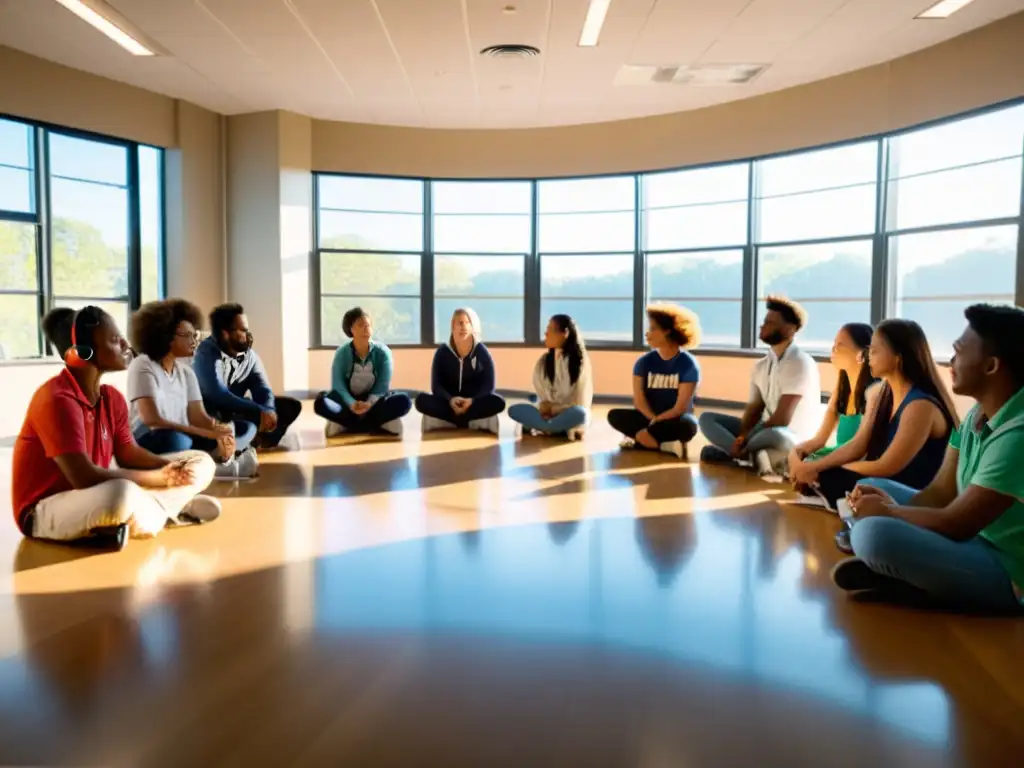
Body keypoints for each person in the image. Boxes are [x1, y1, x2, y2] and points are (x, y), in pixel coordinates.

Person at [833, 305, 1024, 614]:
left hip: (1008, 571)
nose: (951, 361)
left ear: (991, 366)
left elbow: (958, 522)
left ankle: (911, 576)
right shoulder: (977, 414)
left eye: (959, 352)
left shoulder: (1019, 434)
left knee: (873, 534)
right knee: (869, 486)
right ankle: (910, 573)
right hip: (972, 538)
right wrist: (888, 505)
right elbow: (941, 494)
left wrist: (890, 514)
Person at [11, 306, 219, 547]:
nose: (124, 343)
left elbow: (128, 453)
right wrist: (158, 478)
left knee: (201, 461)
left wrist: (172, 468)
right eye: (113, 339)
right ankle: (169, 509)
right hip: (44, 509)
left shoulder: (111, 398)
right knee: (120, 494)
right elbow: (84, 477)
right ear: (83, 353)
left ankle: (145, 514)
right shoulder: (57, 399)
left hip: (91, 494)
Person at [792, 319, 957, 508]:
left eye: (875, 350)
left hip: (913, 493)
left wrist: (825, 469)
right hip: (885, 481)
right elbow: (857, 445)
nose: (868, 356)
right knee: (823, 476)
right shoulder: (882, 392)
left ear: (897, 357)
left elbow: (886, 466)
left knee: (849, 482)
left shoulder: (920, 405)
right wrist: (815, 467)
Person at [127, 299, 258, 479]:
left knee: (244, 428)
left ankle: (215, 461)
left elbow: (199, 417)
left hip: (186, 435)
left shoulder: (185, 372)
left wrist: (223, 429)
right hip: (151, 439)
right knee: (178, 440)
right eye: (188, 335)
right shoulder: (142, 365)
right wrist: (208, 433)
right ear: (166, 336)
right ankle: (217, 466)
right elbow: (153, 420)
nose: (194, 341)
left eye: (194, 335)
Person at [699, 296, 821, 476]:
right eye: (764, 321)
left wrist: (746, 438)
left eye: (770, 323)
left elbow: (782, 420)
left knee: (775, 434)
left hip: (790, 438)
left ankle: (738, 454)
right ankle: (742, 454)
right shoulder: (761, 366)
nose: (763, 326)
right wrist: (743, 434)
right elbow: (754, 410)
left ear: (791, 329)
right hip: (762, 432)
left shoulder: (799, 362)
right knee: (706, 419)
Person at [192, 303, 302, 450]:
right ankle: (241, 442)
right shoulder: (206, 353)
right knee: (229, 428)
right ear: (225, 333)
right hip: (212, 413)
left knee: (290, 407)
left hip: (237, 410)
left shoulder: (249, 356)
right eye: (243, 330)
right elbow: (216, 394)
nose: (247, 334)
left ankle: (259, 440)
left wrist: (268, 409)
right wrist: (258, 410)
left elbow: (263, 389)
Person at [607, 304, 702, 460]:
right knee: (614, 415)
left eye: (653, 329)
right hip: (647, 417)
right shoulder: (643, 362)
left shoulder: (689, 364)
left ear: (668, 331)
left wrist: (658, 421)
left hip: (673, 419)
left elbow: (680, 408)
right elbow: (639, 401)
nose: (647, 333)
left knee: (689, 426)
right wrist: (652, 419)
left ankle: (642, 439)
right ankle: (662, 444)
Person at [788, 323, 878, 478]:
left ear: (862, 354)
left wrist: (812, 467)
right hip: (836, 456)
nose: (833, 350)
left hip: (856, 462)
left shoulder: (875, 393)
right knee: (798, 458)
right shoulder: (841, 390)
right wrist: (794, 455)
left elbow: (860, 450)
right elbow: (819, 440)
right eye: (833, 344)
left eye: (840, 345)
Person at [313, 307, 412, 436]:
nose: (366, 328)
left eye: (368, 325)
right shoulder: (342, 353)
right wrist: (352, 404)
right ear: (351, 329)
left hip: (374, 403)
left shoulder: (383, 352)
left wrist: (368, 404)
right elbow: (339, 385)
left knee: (404, 400)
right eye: (361, 325)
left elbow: (382, 385)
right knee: (322, 402)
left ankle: (353, 425)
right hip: (348, 403)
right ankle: (368, 424)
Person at [414, 307, 505, 433]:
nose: (463, 327)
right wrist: (450, 400)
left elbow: (489, 385)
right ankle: (463, 420)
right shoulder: (442, 352)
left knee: (498, 401)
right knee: (421, 400)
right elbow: (436, 385)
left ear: (472, 327)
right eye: (460, 323)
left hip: (472, 404)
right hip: (449, 404)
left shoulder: (481, 351)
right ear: (453, 326)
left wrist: (472, 401)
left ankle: (458, 419)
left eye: (467, 323)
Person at [508, 314, 593, 441]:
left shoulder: (579, 362)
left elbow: (579, 402)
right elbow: (542, 396)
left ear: (565, 333)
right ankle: (551, 427)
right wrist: (545, 410)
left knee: (580, 414)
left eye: (550, 329)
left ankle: (545, 427)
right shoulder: (544, 361)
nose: (545, 333)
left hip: (568, 413)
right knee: (514, 410)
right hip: (547, 414)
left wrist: (554, 410)